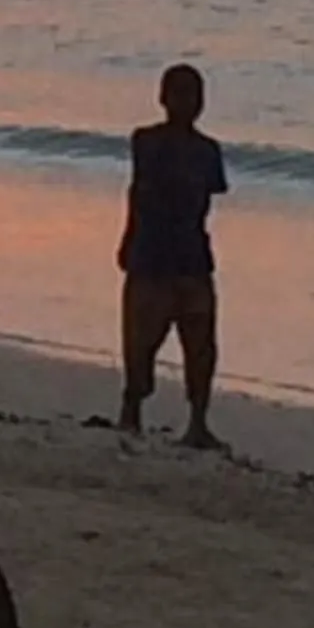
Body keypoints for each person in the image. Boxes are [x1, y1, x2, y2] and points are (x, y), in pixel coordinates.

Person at [118, 62, 229, 449]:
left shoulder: (207, 151)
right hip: (151, 254)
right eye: (180, 94)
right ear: (163, 98)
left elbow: (206, 200)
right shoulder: (146, 141)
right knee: (141, 342)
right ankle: (131, 409)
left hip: (193, 257)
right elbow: (137, 193)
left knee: (201, 345)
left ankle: (198, 421)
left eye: (195, 96)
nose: (187, 103)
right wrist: (128, 237)